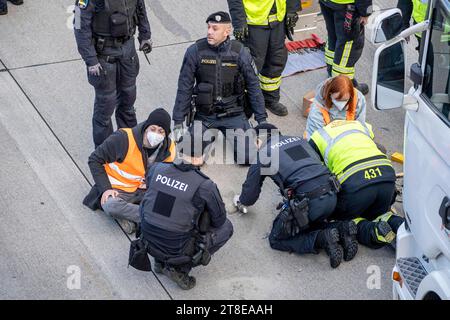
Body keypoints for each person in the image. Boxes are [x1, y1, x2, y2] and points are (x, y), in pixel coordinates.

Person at [234, 123, 358, 268]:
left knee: (276, 239)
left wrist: (240, 201)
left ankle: (322, 239)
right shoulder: (299, 140)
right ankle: (343, 228)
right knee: (312, 222)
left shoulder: (264, 154)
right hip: (332, 194)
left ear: (257, 141)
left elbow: (249, 195)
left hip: (308, 203)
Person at [139, 128, 233, 290]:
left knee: (170, 210)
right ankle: (179, 269)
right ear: (203, 155)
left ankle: (159, 262)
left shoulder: (157, 168)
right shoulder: (205, 185)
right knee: (226, 227)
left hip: (147, 239)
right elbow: (219, 220)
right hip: (176, 248)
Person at [172, 11, 267, 165]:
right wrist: (177, 120)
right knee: (188, 158)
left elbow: (254, 86)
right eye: (208, 27)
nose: (209, 32)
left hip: (234, 114)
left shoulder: (240, 52)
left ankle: (246, 135)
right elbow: (184, 87)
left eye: (215, 29)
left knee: (249, 159)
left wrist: (261, 119)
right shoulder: (195, 51)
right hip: (205, 116)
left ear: (227, 31)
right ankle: (206, 140)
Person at [309, 120, 405, 249]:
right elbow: (377, 146)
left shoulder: (318, 136)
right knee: (379, 214)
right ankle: (399, 226)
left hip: (355, 185)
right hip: (386, 179)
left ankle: (375, 232)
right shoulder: (359, 125)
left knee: (345, 221)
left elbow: (314, 173)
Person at [73, 0, 153, 148]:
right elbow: (79, 25)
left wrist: (145, 35)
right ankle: (105, 153)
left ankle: (130, 147)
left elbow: (141, 9)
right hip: (104, 57)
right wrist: (91, 60)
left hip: (128, 51)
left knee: (128, 101)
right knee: (105, 107)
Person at [83, 108, 175, 234]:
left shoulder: (169, 147)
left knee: (171, 203)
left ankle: (135, 218)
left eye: (161, 131)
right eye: (153, 129)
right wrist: (106, 189)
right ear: (146, 127)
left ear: (166, 134)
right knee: (110, 205)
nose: (156, 134)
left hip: (145, 190)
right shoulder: (123, 138)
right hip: (118, 189)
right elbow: (94, 160)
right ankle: (152, 219)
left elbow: (168, 175)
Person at [227, 0, 301, 116]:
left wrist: (292, 9)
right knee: (251, 64)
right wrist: (239, 21)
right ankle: (243, 103)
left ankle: (270, 98)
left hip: (278, 20)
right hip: (254, 22)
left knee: (276, 60)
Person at [319, 0, 372, 95]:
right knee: (348, 46)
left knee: (333, 36)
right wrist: (365, 11)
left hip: (327, 2)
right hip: (346, 6)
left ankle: (332, 73)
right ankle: (342, 87)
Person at [305, 75, 366, 140]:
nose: (342, 105)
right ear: (330, 93)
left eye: (345, 100)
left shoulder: (358, 98)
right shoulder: (317, 109)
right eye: (338, 100)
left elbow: (360, 125)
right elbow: (318, 138)